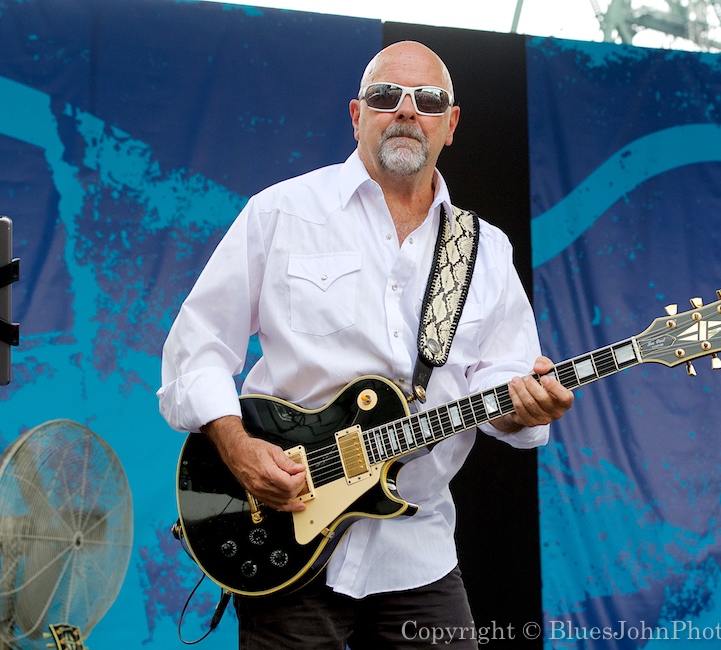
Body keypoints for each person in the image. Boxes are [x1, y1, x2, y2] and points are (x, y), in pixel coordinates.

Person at [158, 40, 573, 649]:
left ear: (450, 125)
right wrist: (238, 447)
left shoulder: (485, 250)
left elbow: (502, 387)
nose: (407, 110)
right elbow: (195, 347)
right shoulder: (281, 213)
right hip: (285, 538)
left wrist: (523, 410)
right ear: (357, 115)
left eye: (428, 100)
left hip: (418, 549)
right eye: (386, 96)